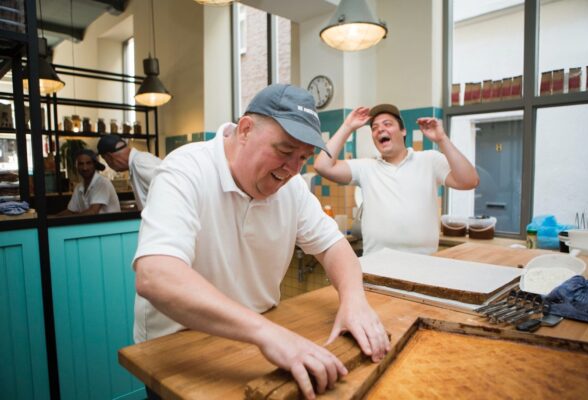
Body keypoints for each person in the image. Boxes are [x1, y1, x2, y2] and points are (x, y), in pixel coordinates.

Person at [133, 84, 390, 400]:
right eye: (284, 151)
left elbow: (334, 246)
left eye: (303, 157)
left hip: (255, 343)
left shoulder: (292, 189)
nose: (292, 170)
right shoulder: (185, 170)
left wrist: (354, 299)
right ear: (244, 130)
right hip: (180, 352)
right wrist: (267, 333)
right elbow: (155, 276)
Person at [314, 105, 479, 255]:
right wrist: (347, 126)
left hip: (423, 264)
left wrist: (442, 139)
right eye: (375, 127)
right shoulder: (366, 167)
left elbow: (469, 181)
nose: (380, 130)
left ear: (403, 131)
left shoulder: (429, 160)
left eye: (387, 124)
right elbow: (323, 166)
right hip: (377, 266)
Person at [97, 135, 161, 210]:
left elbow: (169, 189)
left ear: (109, 157)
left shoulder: (139, 162)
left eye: (106, 161)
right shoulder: (136, 163)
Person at [56, 149, 121, 216]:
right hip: (91, 226)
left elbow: (92, 212)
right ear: (76, 166)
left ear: (94, 165)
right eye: (81, 164)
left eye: (88, 163)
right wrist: (52, 219)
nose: (85, 168)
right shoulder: (79, 187)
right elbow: (71, 211)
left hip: (108, 226)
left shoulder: (102, 183)